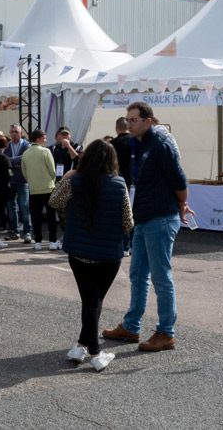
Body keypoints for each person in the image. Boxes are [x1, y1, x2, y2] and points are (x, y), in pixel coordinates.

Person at [103, 102, 195, 353]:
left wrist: (183, 202)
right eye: (127, 119)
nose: (129, 124)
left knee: (160, 277)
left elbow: (178, 178)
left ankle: (166, 332)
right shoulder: (139, 144)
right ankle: (131, 325)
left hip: (160, 219)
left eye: (133, 120)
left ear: (148, 121)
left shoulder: (160, 145)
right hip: (144, 219)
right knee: (137, 274)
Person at [50, 139, 133, 372]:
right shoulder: (119, 183)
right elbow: (129, 222)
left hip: (80, 251)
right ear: (111, 160)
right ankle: (96, 353)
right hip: (109, 254)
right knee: (94, 301)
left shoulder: (74, 181)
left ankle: (81, 346)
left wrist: (66, 178)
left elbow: (53, 201)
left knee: (91, 301)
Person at [21, 129, 59, 250]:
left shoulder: (26, 154)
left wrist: (32, 181)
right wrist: (52, 182)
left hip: (33, 189)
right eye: (44, 138)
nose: (46, 140)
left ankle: (37, 241)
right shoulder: (45, 151)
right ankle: (53, 241)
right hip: (48, 188)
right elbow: (53, 170)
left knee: (36, 216)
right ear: (38, 139)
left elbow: (24, 172)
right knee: (51, 216)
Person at [110, 117, 134, 255]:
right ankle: (133, 244)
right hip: (134, 181)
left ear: (116, 128)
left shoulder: (112, 144)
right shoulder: (135, 142)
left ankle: (124, 245)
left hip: (117, 181)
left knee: (121, 214)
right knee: (133, 212)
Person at [5, 124, 32, 242]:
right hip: (10, 181)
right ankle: (14, 231)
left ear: (21, 133)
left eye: (16, 131)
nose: (14, 134)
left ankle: (27, 232)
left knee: (24, 207)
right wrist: (15, 162)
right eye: (12, 132)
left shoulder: (27, 145)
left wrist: (11, 161)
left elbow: (25, 157)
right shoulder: (7, 145)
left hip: (23, 181)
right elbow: (4, 158)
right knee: (11, 208)